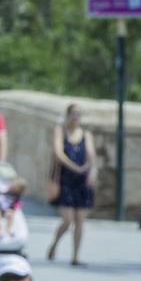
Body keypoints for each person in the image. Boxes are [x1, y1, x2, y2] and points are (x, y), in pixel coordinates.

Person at [47, 104, 96, 266]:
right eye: (73, 113)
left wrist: (91, 172)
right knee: (67, 220)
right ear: (68, 115)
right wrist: (74, 167)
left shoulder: (86, 135)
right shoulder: (60, 131)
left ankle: (76, 256)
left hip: (81, 181)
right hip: (65, 179)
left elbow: (91, 156)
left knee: (80, 221)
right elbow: (58, 153)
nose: (76, 117)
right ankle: (54, 245)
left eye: (79, 114)